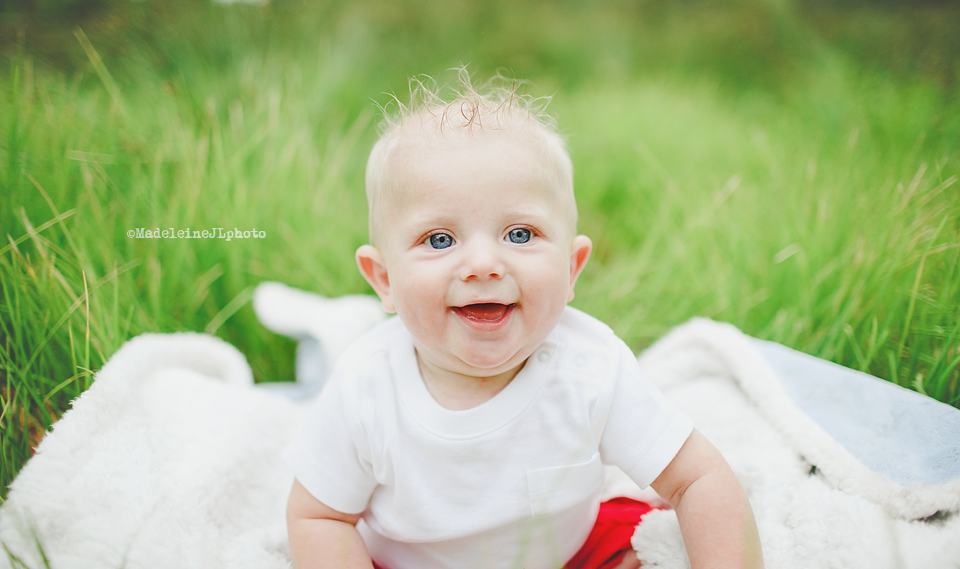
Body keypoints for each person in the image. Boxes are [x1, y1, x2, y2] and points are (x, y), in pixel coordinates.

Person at [284, 73, 764, 569]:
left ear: (571, 268)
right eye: (440, 240)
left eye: (519, 233)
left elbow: (698, 478)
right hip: (408, 562)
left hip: (567, 554)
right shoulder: (366, 388)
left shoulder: (592, 368)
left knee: (637, 539)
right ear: (384, 279)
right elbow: (318, 516)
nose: (483, 264)